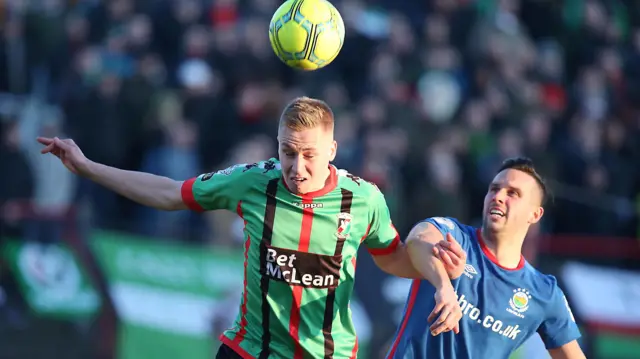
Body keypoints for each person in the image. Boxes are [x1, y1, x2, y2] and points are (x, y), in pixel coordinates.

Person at [38, 96, 465, 359]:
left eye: (310, 155)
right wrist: (89, 168)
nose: (297, 167)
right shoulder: (253, 181)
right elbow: (171, 193)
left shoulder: (364, 199)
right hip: (247, 351)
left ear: (333, 150)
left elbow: (393, 259)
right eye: (287, 152)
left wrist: (440, 273)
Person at [386, 157, 587, 359]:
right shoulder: (454, 237)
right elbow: (419, 238)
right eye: (494, 189)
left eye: (513, 193)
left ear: (534, 214)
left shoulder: (544, 292)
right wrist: (443, 286)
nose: (498, 196)